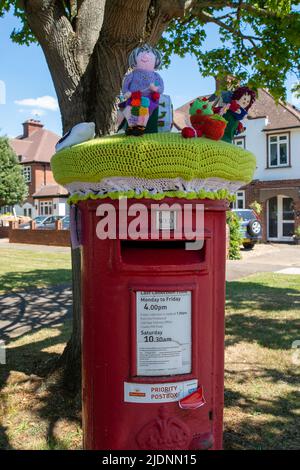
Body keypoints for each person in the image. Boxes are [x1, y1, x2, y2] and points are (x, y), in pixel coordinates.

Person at [119, 44, 164, 136]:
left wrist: (155, 89)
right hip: (133, 97)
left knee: (145, 111)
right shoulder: (132, 74)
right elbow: (125, 85)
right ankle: (131, 128)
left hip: (150, 99)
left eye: (148, 54)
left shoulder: (156, 76)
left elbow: (161, 88)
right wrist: (126, 92)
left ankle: (140, 129)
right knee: (130, 110)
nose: (145, 56)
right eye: (142, 53)